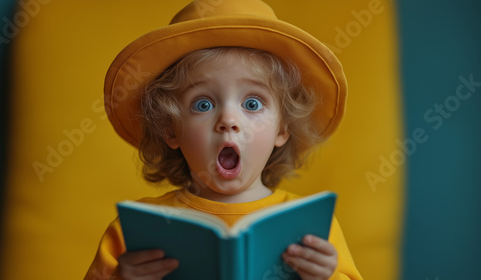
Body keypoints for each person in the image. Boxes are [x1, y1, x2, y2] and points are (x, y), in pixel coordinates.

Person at [85, 0, 362, 279]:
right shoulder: (133, 232)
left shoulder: (314, 230)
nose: (228, 120)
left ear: (282, 129)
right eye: (203, 104)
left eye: (252, 104)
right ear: (170, 130)